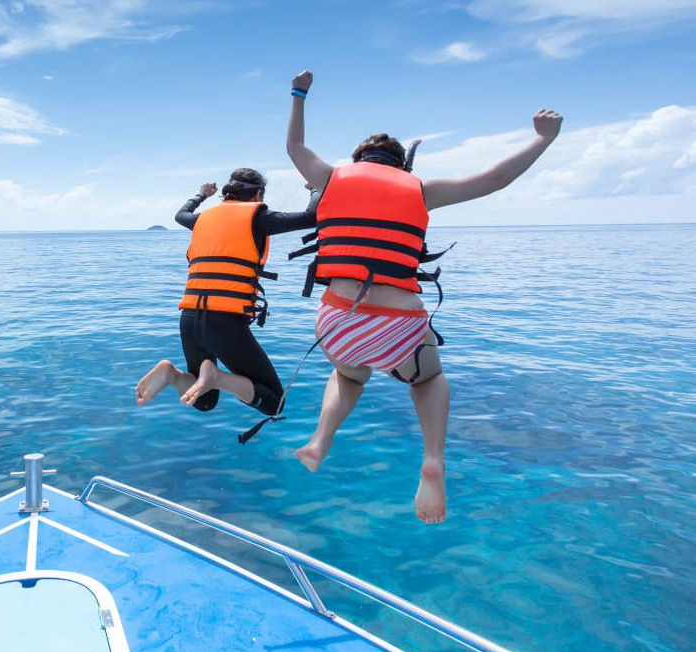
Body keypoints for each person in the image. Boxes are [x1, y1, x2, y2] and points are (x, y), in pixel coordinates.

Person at [284, 69, 563, 522]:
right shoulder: (421, 189)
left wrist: (299, 94)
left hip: (337, 319)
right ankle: (433, 458)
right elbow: (493, 180)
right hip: (399, 324)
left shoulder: (330, 177)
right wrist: (542, 140)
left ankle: (320, 439)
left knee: (351, 377)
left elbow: (295, 148)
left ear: (360, 159)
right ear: (401, 166)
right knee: (426, 380)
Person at [135, 169, 319, 417]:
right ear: (258, 194)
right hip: (224, 323)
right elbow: (313, 216)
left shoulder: (201, 219)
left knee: (205, 401)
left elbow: (180, 215)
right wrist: (316, 188)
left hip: (190, 319)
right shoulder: (258, 217)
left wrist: (201, 195)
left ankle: (172, 374)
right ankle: (216, 377)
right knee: (274, 402)